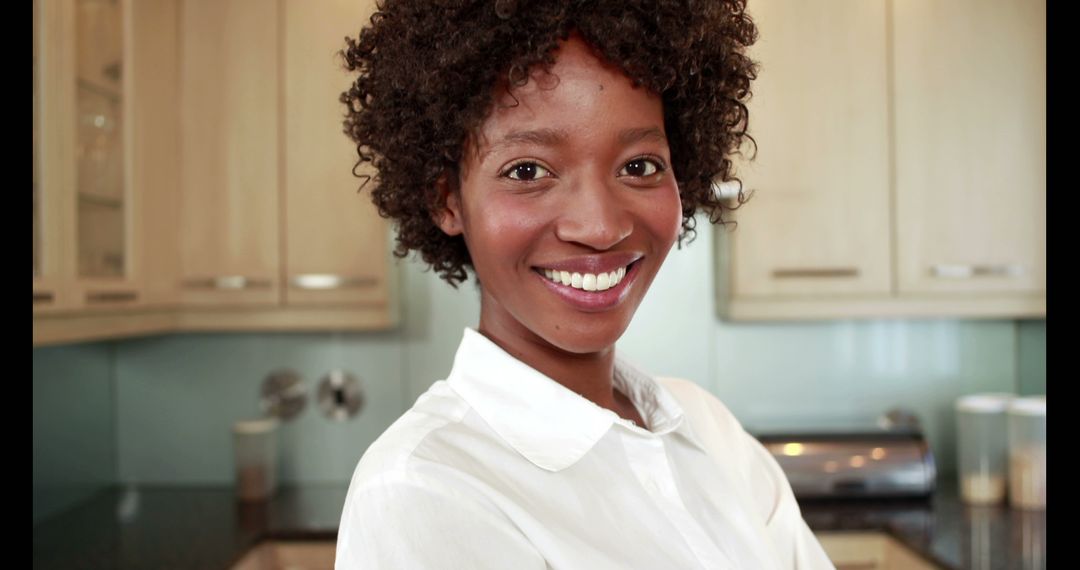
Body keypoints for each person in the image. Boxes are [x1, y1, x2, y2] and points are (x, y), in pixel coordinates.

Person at [335, 1, 834, 568]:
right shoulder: (424, 490)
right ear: (446, 198)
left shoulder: (704, 426)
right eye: (528, 171)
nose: (599, 227)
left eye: (640, 166)